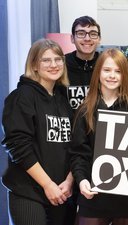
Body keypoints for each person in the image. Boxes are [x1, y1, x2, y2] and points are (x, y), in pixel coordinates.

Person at [1, 39, 75, 225]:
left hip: (61, 193)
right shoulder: (22, 97)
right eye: (46, 60)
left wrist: (69, 182)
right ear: (34, 65)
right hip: (29, 193)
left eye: (58, 59)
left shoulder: (62, 99)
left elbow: (74, 145)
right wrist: (47, 185)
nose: (54, 65)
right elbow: (18, 146)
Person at [69, 48, 128, 225]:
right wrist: (81, 181)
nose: (112, 76)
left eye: (118, 71)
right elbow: (78, 153)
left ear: (125, 75)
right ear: (98, 73)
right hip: (94, 195)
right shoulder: (85, 110)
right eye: (107, 70)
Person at [65, 15, 101, 110]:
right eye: (81, 33)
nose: (87, 38)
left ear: (99, 39)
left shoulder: (105, 65)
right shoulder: (60, 65)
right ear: (72, 38)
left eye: (93, 34)